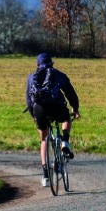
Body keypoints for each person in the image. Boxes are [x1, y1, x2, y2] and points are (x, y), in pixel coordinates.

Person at [25, 53, 81, 187]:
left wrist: (34, 115)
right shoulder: (58, 74)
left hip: (40, 110)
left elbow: (29, 99)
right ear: (52, 63)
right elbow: (70, 93)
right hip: (57, 106)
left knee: (44, 139)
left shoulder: (32, 77)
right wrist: (75, 108)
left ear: (37, 65)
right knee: (66, 117)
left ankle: (45, 176)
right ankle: (65, 142)